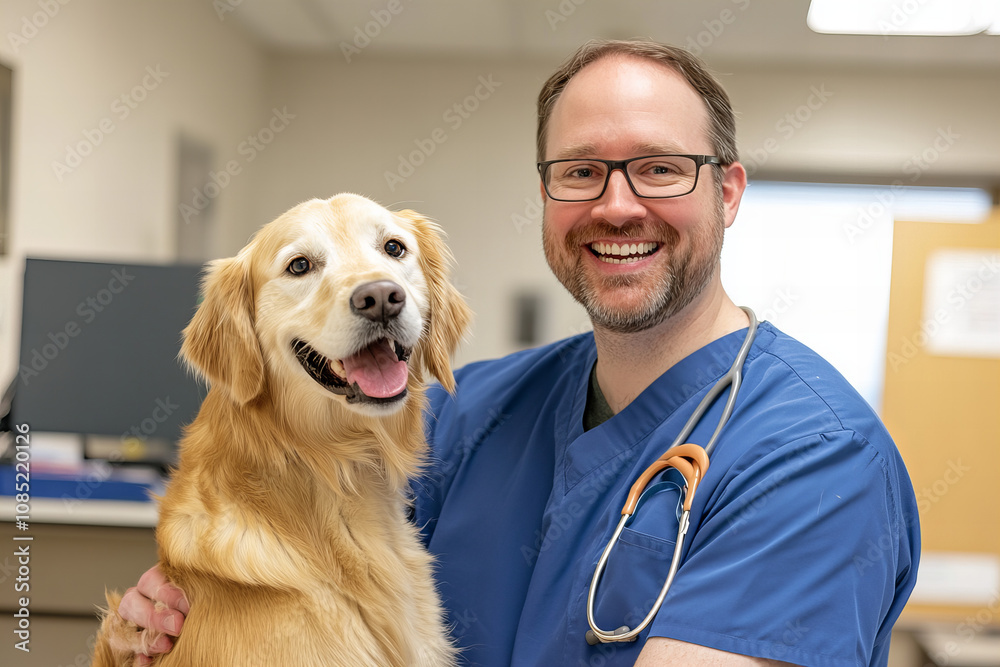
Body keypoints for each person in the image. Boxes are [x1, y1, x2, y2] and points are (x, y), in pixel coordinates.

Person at [115, 39, 919, 666]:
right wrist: (159, 633)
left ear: (729, 191)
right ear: (546, 195)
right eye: (581, 172)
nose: (616, 204)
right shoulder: (467, 411)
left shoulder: (817, 462)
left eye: (660, 169)